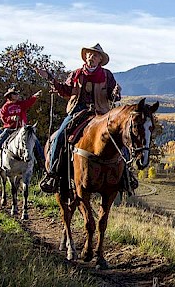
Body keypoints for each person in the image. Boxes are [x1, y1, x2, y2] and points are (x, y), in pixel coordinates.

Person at [36, 43, 121, 190]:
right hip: (78, 111)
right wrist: (50, 78)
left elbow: (113, 95)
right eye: (89, 54)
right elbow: (66, 90)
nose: (91, 57)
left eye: (95, 55)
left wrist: (115, 93)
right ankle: (52, 173)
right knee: (60, 136)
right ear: (85, 56)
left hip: (101, 113)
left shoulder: (107, 75)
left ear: (100, 59)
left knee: (119, 137)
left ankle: (125, 176)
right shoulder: (76, 74)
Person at [0, 88, 45, 167]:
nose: (17, 95)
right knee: (0, 140)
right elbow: (3, 118)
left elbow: (29, 102)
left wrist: (35, 96)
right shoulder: (5, 107)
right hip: (10, 129)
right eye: (15, 94)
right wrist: (11, 118)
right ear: (10, 96)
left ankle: (42, 160)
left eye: (17, 94)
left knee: (34, 140)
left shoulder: (20, 104)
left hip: (21, 129)